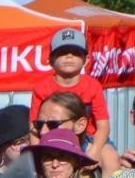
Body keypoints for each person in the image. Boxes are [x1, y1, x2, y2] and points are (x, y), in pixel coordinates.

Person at [30, 27, 110, 165]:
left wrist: (95, 150)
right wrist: (36, 155)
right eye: (62, 53)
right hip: (52, 138)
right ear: (50, 60)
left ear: (86, 59)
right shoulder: (41, 88)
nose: (69, 56)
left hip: (87, 139)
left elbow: (103, 125)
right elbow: (33, 127)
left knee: (111, 157)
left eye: (76, 53)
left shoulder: (93, 86)